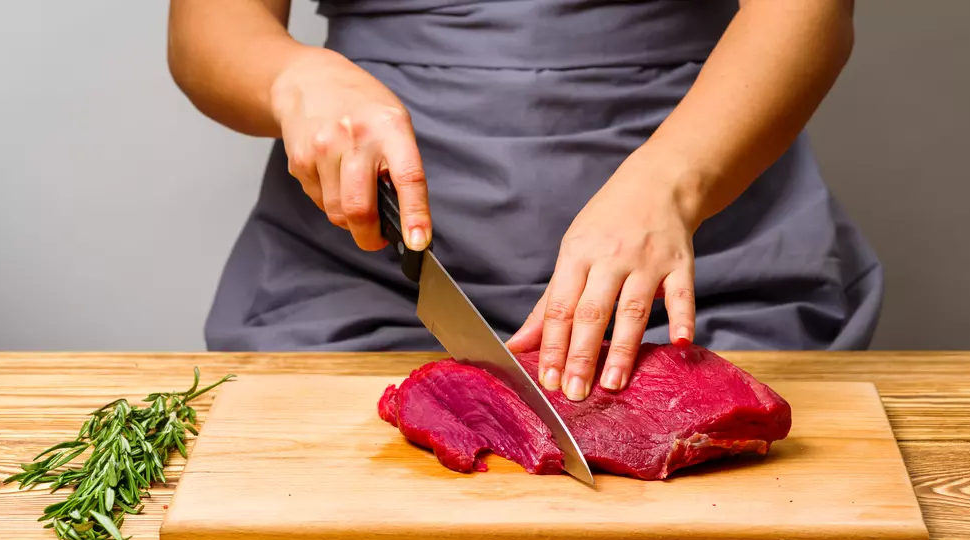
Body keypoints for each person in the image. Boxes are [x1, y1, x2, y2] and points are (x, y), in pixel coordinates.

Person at [168, 0, 882, 402]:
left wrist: (673, 181)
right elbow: (209, 31)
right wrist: (296, 78)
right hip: (360, 273)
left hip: (705, 264)